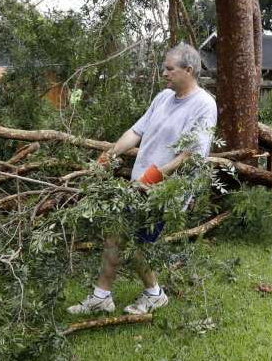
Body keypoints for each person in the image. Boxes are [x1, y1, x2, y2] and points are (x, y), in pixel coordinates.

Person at [67, 42, 217, 315]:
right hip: (140, 185)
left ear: (189, 70)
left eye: (169, 69)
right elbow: (136, 132)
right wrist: (108, 155)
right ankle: (102, 296)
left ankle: (154, 293)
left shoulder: (204, 105)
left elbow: (191, 154)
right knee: (115, 233)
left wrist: (154, 177)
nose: (164, 73)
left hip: (167, 189)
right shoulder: (162, 98)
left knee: (137, 244)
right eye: (164, 68)